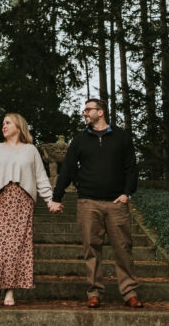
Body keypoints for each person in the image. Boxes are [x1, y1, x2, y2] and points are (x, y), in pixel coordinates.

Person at [52, 98, 143, 309]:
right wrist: (57, 197)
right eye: (84, 110)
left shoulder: (122, 137)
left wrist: (127, 193)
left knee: (123, 248)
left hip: (116, 203)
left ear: (100, 112)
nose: (84, 113)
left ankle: (130, 292)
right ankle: (94, 293)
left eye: (88, 110)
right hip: (88, 203)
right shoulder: (80, 139)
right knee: (91, 249)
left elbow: (131, 167)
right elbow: (67, 168)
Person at [0, 112, 62, 307]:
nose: (3, 126)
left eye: (7, 123)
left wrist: (50, 200)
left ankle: (10, 291)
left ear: (18, 126)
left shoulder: (31, 150)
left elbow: (41, 177)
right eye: (2, 123)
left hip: (23, 202)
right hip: (0, 201)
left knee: (17, 248)